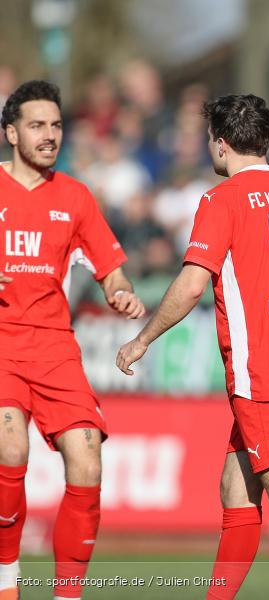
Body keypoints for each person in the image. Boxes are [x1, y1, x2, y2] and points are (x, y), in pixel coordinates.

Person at [115, 94, 269, 600]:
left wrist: (141, 340)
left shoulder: (221, 200)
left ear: (221, 145)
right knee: (235, 486)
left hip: (260, 366)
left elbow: (191, 285)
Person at [0, 80, 145, 600]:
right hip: (2, 345)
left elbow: (112, 269)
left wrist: (121, 293)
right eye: (37, 125)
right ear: (11, 132)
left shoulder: (76, 197)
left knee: (87, 458)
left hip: (56, 348)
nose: (50, 135)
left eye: (56, 125)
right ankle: (6, 580)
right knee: (9, 446)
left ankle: (67, 594)